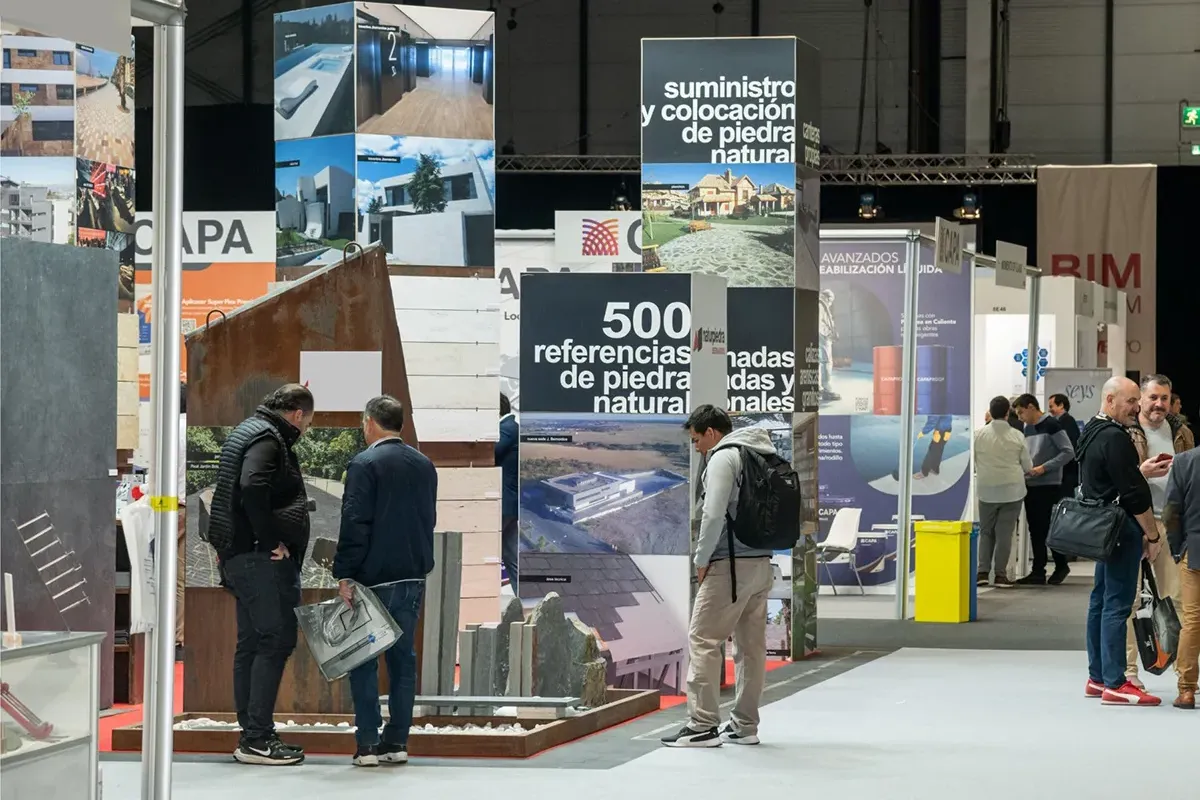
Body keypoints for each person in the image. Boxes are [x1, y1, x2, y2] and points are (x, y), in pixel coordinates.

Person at [209, 384, 314, 765]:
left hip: (238, 555)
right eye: (308, 421)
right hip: (258, 559)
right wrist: (272, 541)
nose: (307, 428)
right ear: (298, 414)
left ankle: (253, 734)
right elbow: (252, 486)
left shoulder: (248, 429)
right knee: (276, 639)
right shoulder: (269, 439)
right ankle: (256, 738)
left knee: (252, 642)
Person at [333, 395, 437, 767]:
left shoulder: (364, 464)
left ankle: (367, 745)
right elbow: (429, 520)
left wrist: (344, 573)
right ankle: (398, 742)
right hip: (412, 575)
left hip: (373, 579)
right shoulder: (424, 464)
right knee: (403, 660)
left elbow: (355, 522)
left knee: (363, 661)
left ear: (370, 423)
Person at [662, 406, 775, 749]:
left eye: (696, 439)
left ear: (711, 432)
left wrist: (701, 558)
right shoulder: (763, 454)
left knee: (704, 640)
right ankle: (744, 725)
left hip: (729, 566)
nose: (696, 447)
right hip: (761, 564)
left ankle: (702, 725)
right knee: (751, 649)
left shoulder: (724, 458)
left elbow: (712, 514)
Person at [1078, 376, 1163, 706]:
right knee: (1117, 604)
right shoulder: (1116, 438)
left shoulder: (1091, 431)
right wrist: (1151, 535)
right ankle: (1115, 682)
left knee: (1100, 600)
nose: (1137, 408)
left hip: (1101, 528)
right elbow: (1134, 494)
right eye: (1130, 401)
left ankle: (1097, 677)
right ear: (1110, 400)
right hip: (1121, 529)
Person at [1123, 374, 1193, 687]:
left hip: (1172, 525)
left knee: (1177, 598)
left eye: (1164, 398)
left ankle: (1184, 674)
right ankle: (1128, 673)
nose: (1159, 404)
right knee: (1130, 601)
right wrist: (1142, 472)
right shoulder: (1125, 432)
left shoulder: (1182, 433)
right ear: (1141, 400)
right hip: (1134, 523)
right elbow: (1118, 479)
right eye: (1153, 398)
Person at [1013, 394, 1076, 585]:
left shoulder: (1052, 425)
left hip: (1049, 485)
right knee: (1035, 529)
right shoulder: (1027, 428)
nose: (1021, 417)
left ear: (1031, 407)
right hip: (1031, 484)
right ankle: (1038, 570)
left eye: (1021, 412)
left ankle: (1060, 565)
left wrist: (1045, 467)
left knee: (1050, 528)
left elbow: (1068, 452)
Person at [974, 396, 1033, 587]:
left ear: (990, 412)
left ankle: (982, 573)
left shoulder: (978, 435)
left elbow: (972, 462)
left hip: (986, 490)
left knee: (985, 532)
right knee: (1005, 533)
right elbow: (1027, 465)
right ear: (1008, 413)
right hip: (1012, 491)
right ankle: (1000, 575)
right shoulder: (1017, 436)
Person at [1163, 443, 1200, 709]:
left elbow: (1171, 512)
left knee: (1193, 618)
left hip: (1194, 550)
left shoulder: (1185, 461)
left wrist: (1178, 548)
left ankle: (1186, 689)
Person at [496, 393, 519, 589]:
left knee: (485, 550)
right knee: (511, 556)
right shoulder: (510, 428)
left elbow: (490, 454)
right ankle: (524, 597)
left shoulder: (507, 429)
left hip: (503, 504)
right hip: (509, 505)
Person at [1048, 392, 1082, 501]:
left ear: (1061, 405)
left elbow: (1069, 448)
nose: (1049, 410)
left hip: (1067, 472)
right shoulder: (1063, 421)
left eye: (1051, 406)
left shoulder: (1066, 421)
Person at [818, 289, 839, 402]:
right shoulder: (821, 304)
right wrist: (829, 334)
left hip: (821, 336)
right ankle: (827, 390)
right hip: (823, 337)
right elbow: (818, 323)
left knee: (819, 362)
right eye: (831, 300)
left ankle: (819, 388)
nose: (831, 303)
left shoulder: (818, 304)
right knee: (826, 362)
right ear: (828, 297)